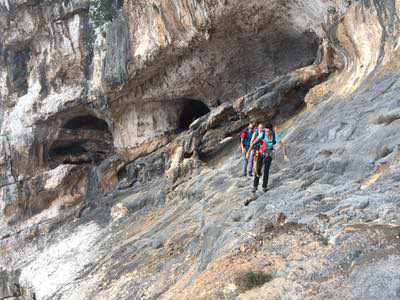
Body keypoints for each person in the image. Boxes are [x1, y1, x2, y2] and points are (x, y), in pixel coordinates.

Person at [247, 123, 289, 194]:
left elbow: (283, 145)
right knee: (258, 170)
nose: (266, 133)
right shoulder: (262, 134)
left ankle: (264, 186)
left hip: (269, 153)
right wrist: (248, 152)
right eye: (265, 131)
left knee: (266, 170)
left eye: (268, 131)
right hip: (261, 152)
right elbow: (254, 143)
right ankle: (255, 186)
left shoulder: (274, 136)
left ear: (271, 130)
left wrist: (285, 155)